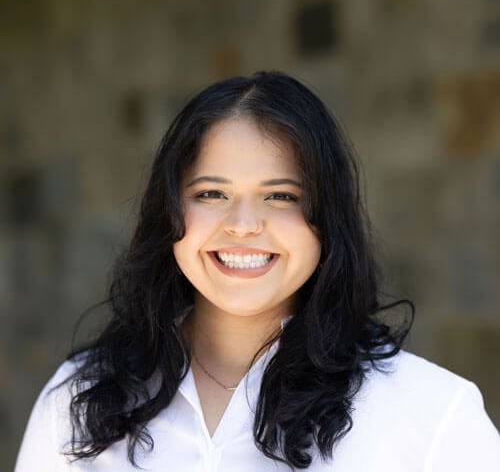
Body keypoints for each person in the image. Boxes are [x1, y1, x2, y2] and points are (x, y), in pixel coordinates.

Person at [15, 71, 499, 471]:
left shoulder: (431, 413)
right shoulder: (80, 401)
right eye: (211, 194)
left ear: (325, 220)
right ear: (170, 214)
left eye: (281, 196)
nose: (243, 225)